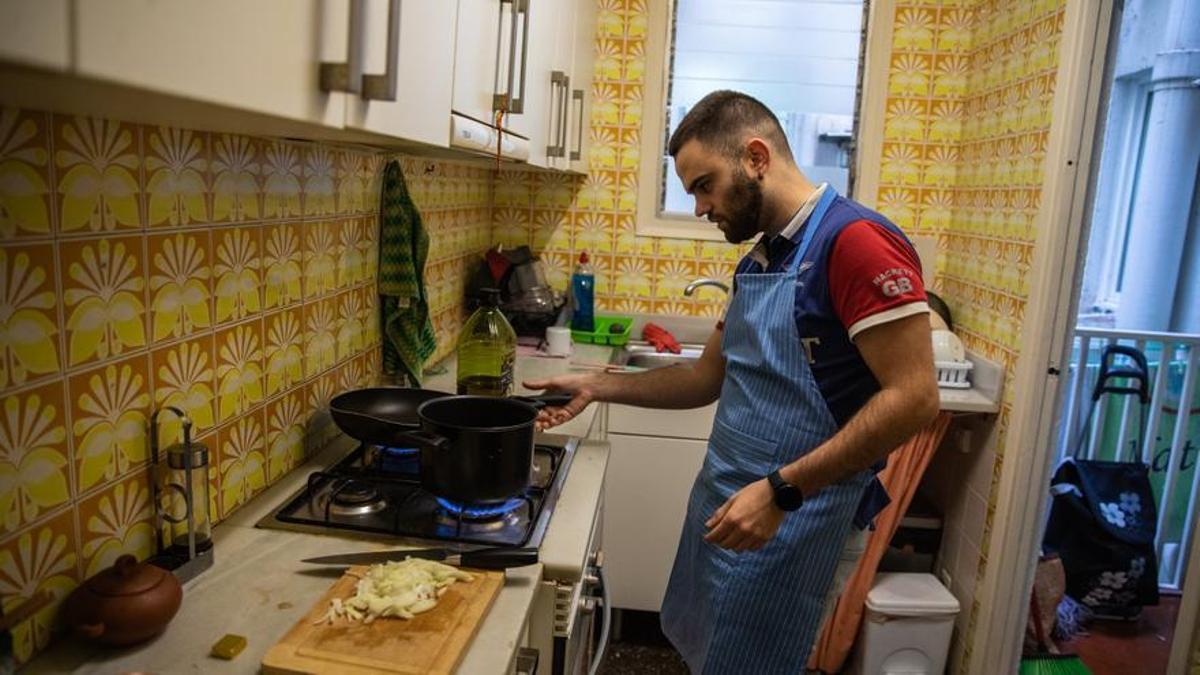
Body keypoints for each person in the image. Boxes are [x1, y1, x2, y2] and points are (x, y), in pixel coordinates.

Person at [526, 90, 939, 673]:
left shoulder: (856, 245)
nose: (699, 207)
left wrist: (782, 491)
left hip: (792, 519)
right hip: (728, 505)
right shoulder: (761, 260)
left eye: (704, 185)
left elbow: (915, 398)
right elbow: (702, 379)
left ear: (755, 156)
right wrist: (600, 384)